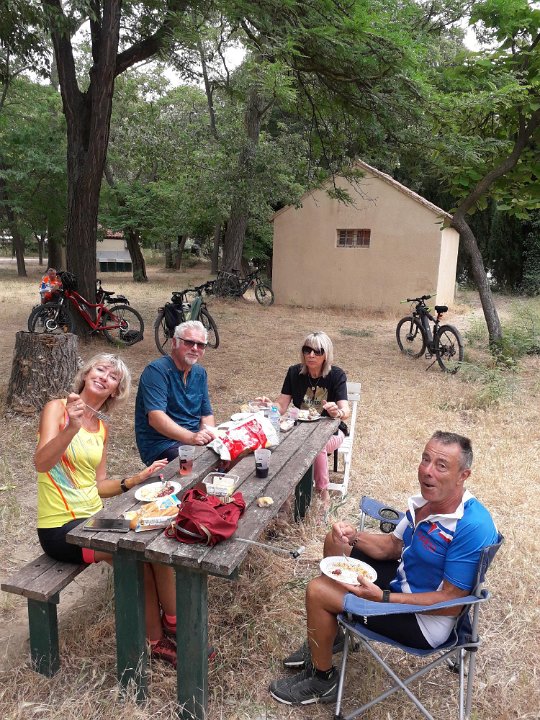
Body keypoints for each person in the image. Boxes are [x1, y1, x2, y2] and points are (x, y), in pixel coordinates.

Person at [269, 431, 499, 706]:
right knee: (335, 541)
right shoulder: (426, 502)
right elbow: (392, 546)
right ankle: (332, 633)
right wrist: (353, 536)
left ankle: (323, 680)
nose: (427, 471)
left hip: (423, 620)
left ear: (463, 475)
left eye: (441, 465)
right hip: (403, 582)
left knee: (318, 591)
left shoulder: (471, 525)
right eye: (425, 459)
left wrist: (384, 598)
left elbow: (451, 604)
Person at [35, 353, 179, 667]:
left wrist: (134, 480)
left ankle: (173, 623)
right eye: (100, 369)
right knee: (135, 554)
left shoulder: (101, 427)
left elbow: (99, 485)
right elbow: (41, 463)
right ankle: (159, 640)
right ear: (86, 374)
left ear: (116, 390)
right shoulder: (57, 409)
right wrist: (71, 428)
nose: (104, 377)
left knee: (153, 538)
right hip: (61, 528)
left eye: (113, 377)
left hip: (94, 520)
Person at [258, 331, 350, 505]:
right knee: (278, 441)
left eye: (317, 351)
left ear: (326, 354)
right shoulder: (294, 373)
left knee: (316, 445)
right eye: (307, 350)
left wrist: (336, 412)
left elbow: (345, 411)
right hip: (298, 430)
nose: (311, 355)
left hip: (332, 432)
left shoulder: (336, 375)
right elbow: (281, 406)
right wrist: (270, 406)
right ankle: (283, 491)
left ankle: (323, 494)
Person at [135, 320, 215, 466]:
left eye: (200, 345)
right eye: (189, 342)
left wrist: (208, 436)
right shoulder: (157, 371)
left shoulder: (200, 373)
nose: (195, 348)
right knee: (199, 466)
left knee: (226, 456)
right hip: (162, 445)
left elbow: (206, 414)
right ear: (174, 343)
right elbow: (156, 418)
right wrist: (192, 438)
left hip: (192, 439)